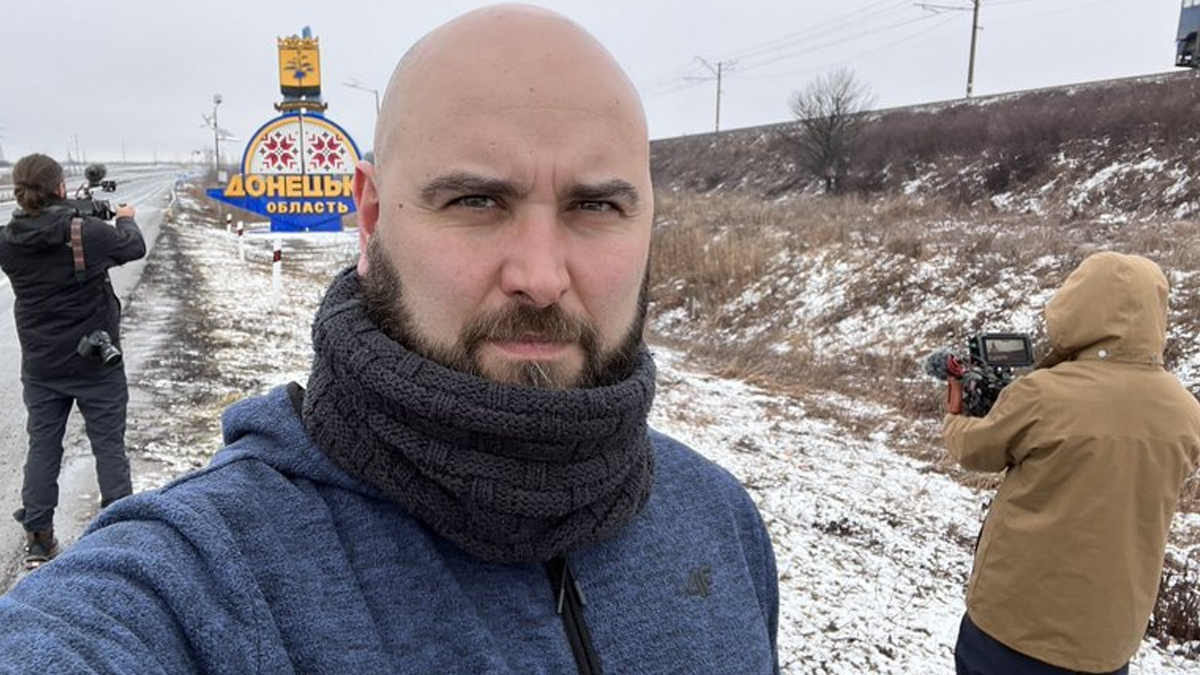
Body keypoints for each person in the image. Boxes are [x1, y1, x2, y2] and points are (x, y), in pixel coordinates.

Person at [0, 6, 780, 674]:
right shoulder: (206, 578)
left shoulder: (721, 522)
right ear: (371, 220)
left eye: (597, 207)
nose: (541, 276)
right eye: (476, 200)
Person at [942, 251, 1200, 675]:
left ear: (1077, 306)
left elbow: (974, 450)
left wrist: (955, 416)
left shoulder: (1043, 394)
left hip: (1013, 625)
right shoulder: (1186, 411)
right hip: (1108, 642)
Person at [0, 154, 145, 570]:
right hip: (94, 360)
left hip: (41, 365)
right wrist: (126, 219)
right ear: (60, 188)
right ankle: (118, 535)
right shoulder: (86, 232)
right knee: (108, 446)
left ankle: (39, 539)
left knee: (43, 447)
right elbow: (133, 246)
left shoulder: (7, 239)